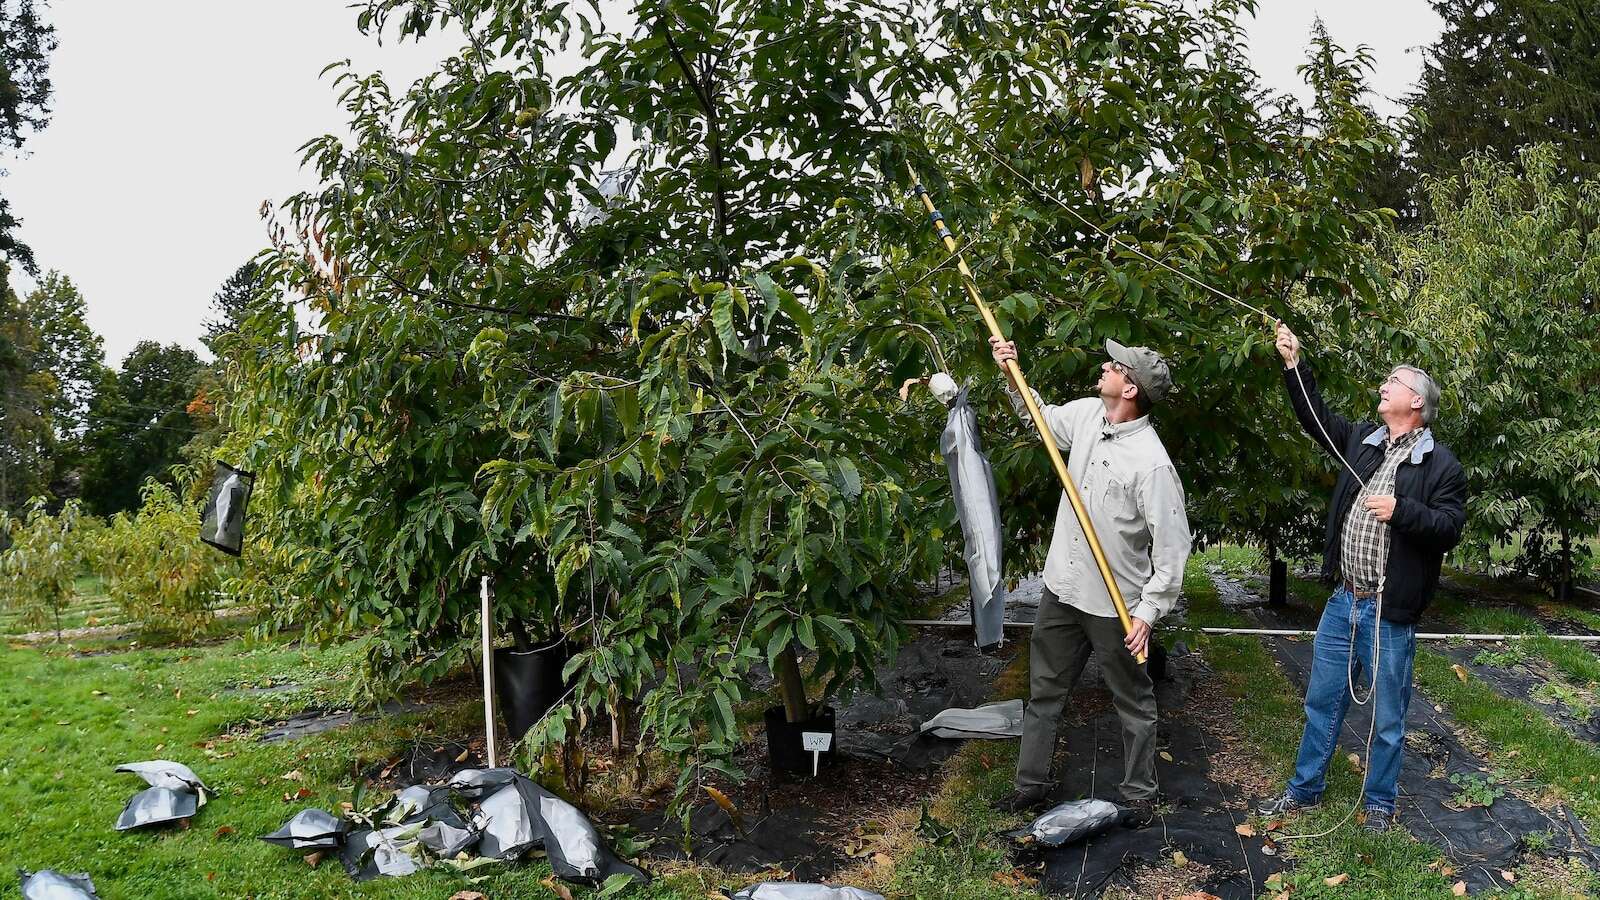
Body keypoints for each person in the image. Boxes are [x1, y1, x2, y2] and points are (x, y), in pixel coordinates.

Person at [1257, 323, 1467, 832]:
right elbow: (1317, 420)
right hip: (1343, 601)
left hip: (1387, 609)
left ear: (1415, 401)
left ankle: (1379, 804)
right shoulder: (1363, 443)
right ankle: (1304, 791)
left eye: (1391, 382)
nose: (1382, 387)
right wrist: (1293, 364)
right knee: (1321, 700)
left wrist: (1401, 510)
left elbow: (1448, 527)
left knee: (1388, 717)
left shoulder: (1441, 465)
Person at [991, 337, 1192, 822]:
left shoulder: (1152, 464)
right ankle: (1030, 786)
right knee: (1044, 693)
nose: (1104, 365)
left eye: (1115, 365)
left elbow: (1172, 550)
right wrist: (1009, 370)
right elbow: (1037, 416)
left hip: (1114, 607)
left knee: (1134, 701)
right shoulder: (1086, 415)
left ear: (1131, 387)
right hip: (1062, 590)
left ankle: (1139, 793)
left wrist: (1146, 613)